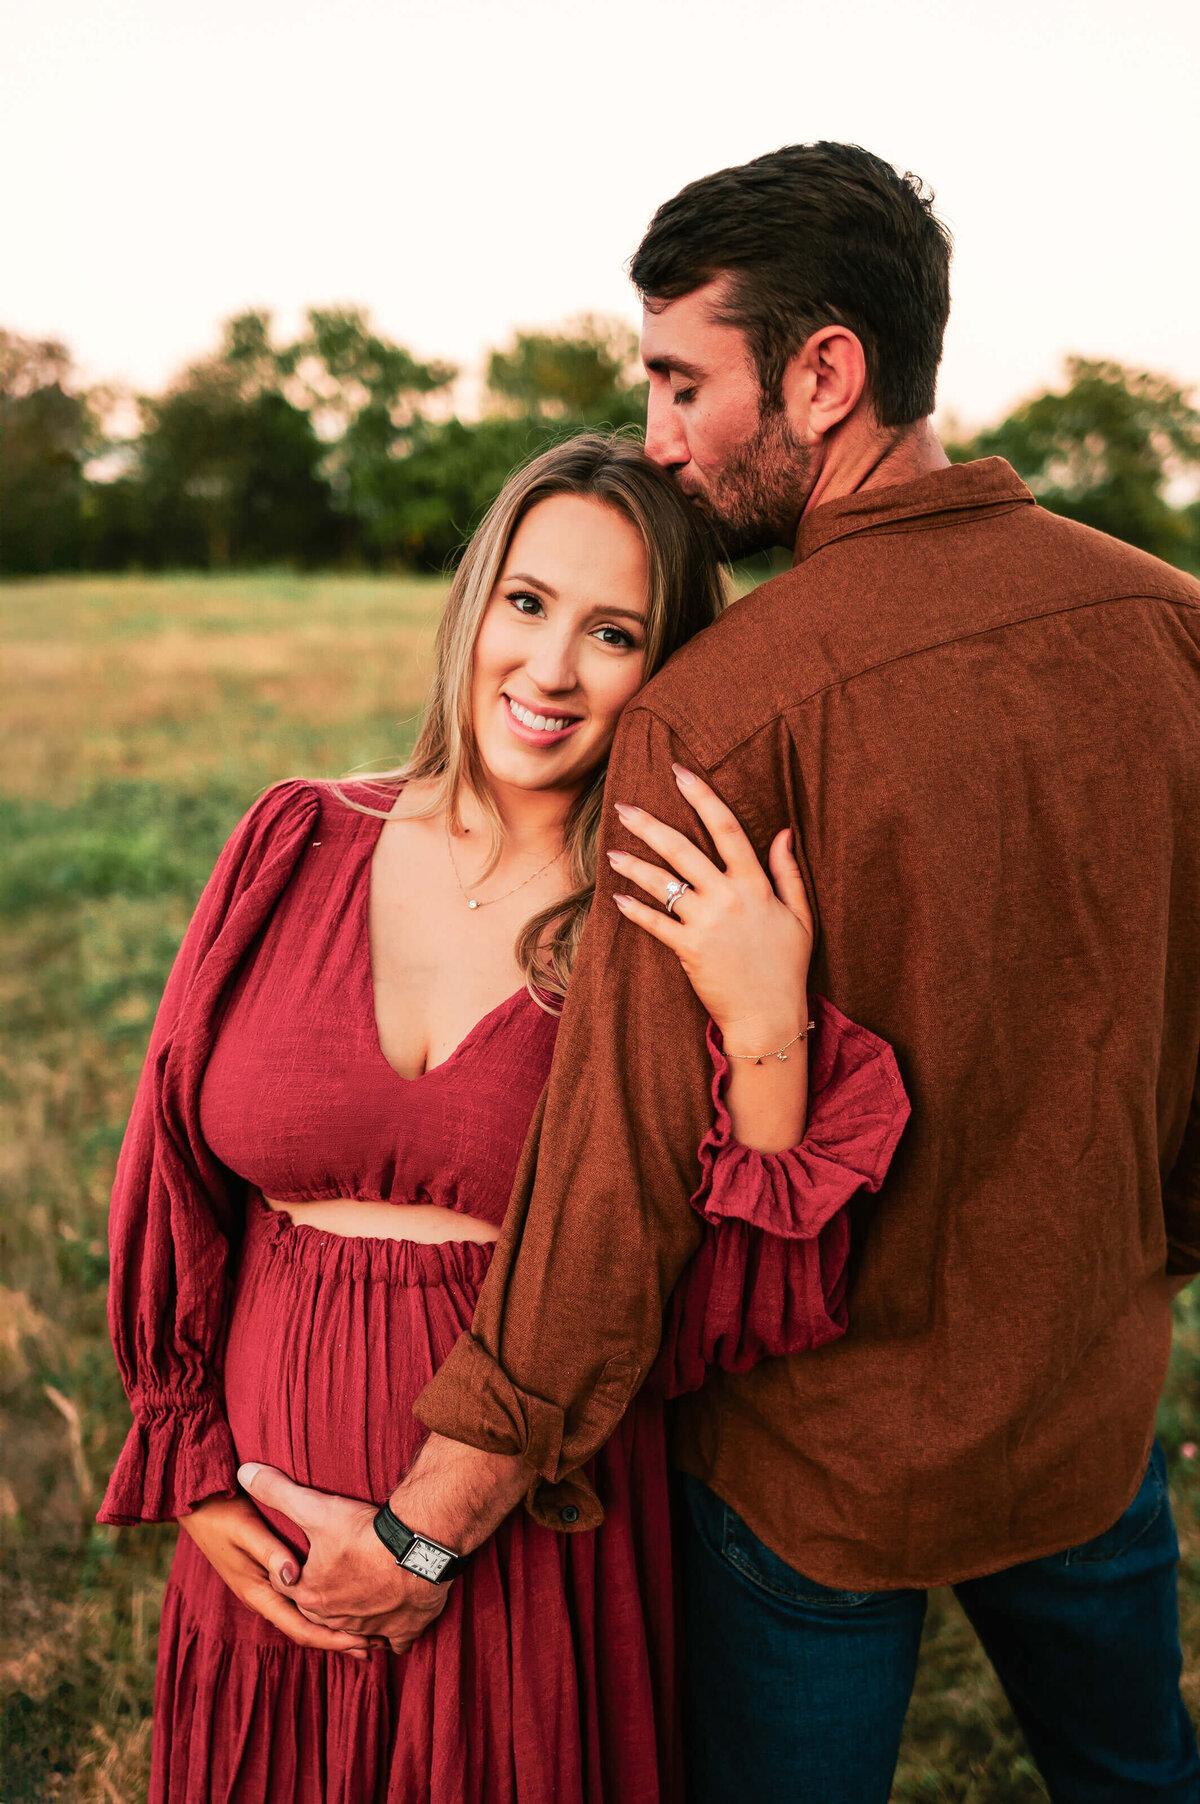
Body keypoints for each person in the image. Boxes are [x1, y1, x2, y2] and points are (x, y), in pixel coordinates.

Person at [291, 145, 1200, 1802]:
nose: (653, 436)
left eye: (679, 381)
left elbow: (621, 1171)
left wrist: (430, 1529)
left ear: (827, 372)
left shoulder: (722, 714)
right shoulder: (1171, 627)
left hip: (817, 1482)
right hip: (1092, 1419)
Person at [98, 433, 909, 1804]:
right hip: (262, 1544)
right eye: (527, 604)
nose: (548, 669)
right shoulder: (295, 838)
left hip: (530, 1550)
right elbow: (169, 1174)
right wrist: (192, 1466)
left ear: (669, 672)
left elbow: (728, 1300)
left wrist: (767, 1022)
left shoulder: (659, 927)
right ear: (473, 602)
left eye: (615, 632)